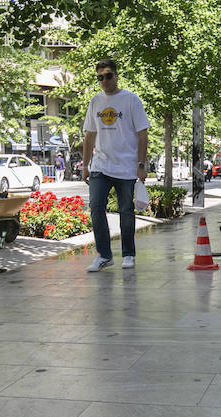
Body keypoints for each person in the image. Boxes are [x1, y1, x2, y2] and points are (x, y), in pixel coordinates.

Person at [82, 58, 150, 272]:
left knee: (125, 211)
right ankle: (104, 255)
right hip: (100, 166)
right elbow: (89, 135)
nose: (104, 80)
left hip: (126, 167)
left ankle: (128, 254)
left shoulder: (131, 100)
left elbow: (142, 134)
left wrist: (141, 163)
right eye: (100, 77)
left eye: (108, 75)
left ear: (116, 75)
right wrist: (85, 165)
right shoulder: (95, 101)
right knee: (95, 208)